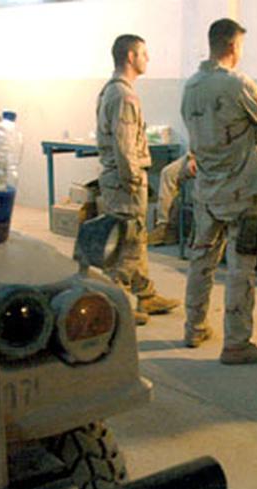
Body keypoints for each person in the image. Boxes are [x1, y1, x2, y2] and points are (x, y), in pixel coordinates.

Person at [180, 18, 257, 365]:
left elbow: (194, 133)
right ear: (233, 47)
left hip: (206, 190)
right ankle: (237, 342)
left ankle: (193, 327)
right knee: (241, 269)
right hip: (241, 191)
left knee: (200, 261)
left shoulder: (191, 86)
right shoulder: (238, 84)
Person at [95, 34, 180, 325]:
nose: (147, 59)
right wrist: (132, 181)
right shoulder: (124, 95)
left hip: (119, 179)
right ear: (130, 57)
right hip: (124, 182)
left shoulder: (112, 89)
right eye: (144, 54)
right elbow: (124, 145)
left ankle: (146, 294)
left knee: (136, 239)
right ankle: (117, 303)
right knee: (126, 244)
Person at [147, 152, 196, 246]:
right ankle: (164, 226)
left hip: (222, 154)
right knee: (168, 173)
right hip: (201, 153)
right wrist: (192, 157)